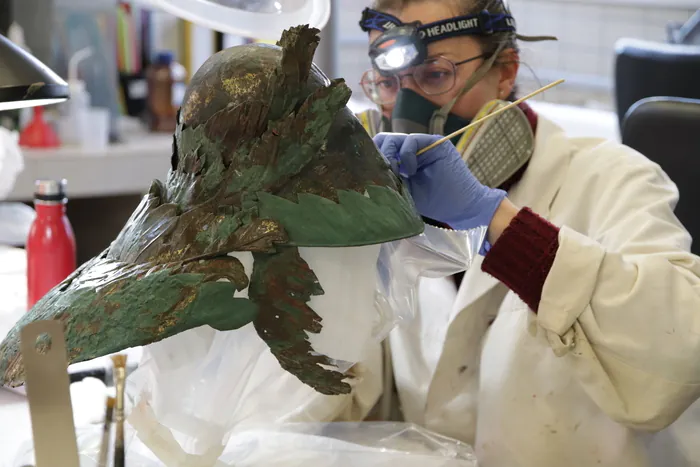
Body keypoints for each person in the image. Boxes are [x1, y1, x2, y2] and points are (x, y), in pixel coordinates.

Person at [353, 1, 700, 466]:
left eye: (436, 76)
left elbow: (674, 360)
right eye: (389, 83)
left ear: (505, 70)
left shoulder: (616, 179)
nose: (407, 113)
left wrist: (496, 223)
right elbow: (345, 391)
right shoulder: (384, 211)